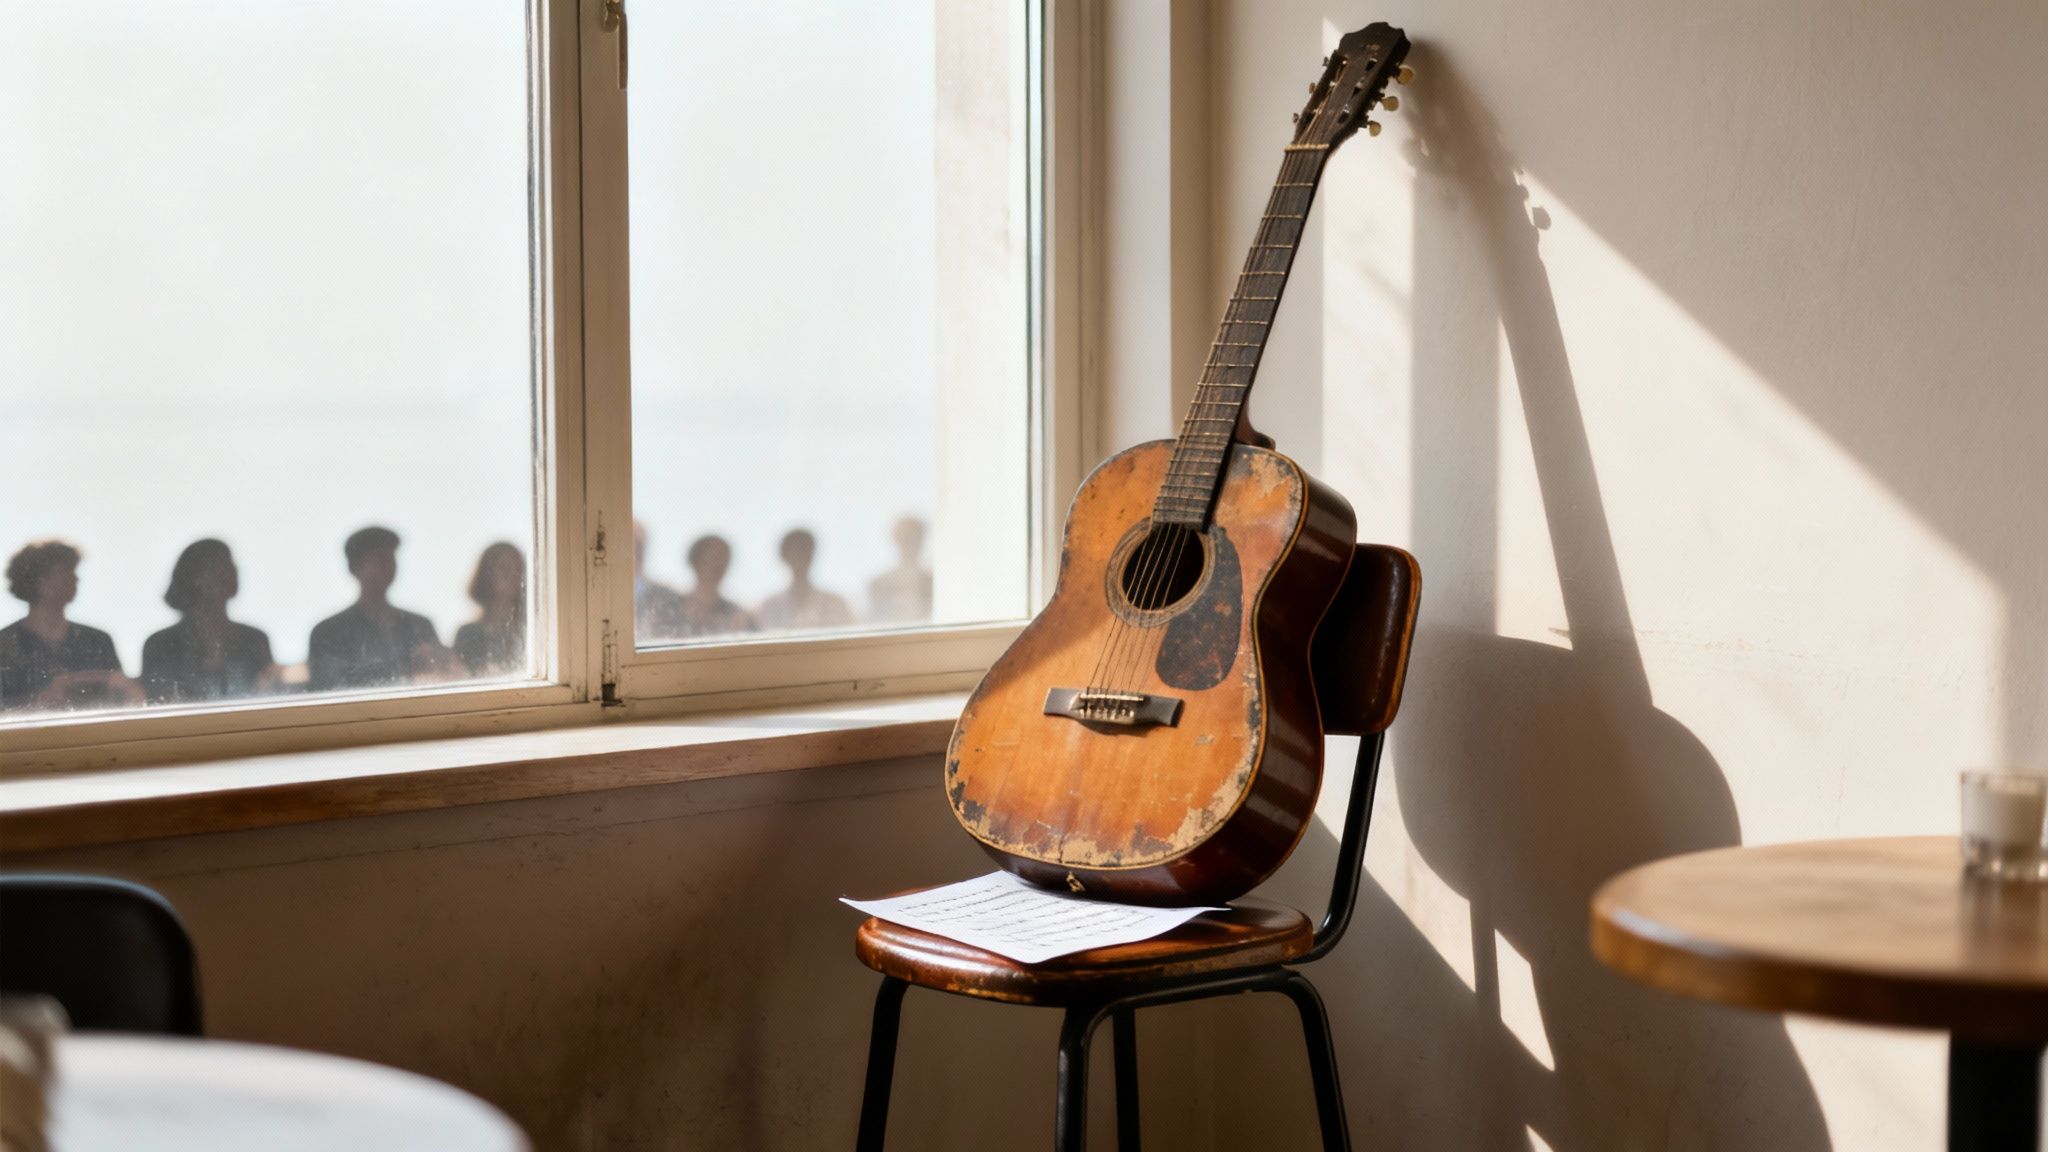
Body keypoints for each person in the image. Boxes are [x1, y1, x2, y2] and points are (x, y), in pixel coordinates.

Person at [0, 540, 142, 712]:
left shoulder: (97, 640)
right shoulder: (5, 645)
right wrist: (39, 703)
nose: (75, 578)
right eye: (63, 572)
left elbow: (122, 696)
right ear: (40, 583)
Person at [306, 527, 450, 692]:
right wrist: (407, 667)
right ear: (356, 567)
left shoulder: (420, 624)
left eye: (391, 559)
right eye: (381, 559)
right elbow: (327, 686)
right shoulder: (328, 632)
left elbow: (439, 679)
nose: (389, 566)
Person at [139, 538, 279, 704]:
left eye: (230, 565)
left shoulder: (255, 639)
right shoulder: (161, 644)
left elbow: (267, 698)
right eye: (216, 567)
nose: (230, 572)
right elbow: (161, 704)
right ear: (194, 579)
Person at [755, 528, 855, 631]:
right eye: (795, 552)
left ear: (812, 554)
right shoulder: (769, 606)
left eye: (805, 551)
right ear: (784, 556)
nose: (801, 558)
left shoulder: (836, 603)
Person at [453, 542, 527, 677]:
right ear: (487, 575)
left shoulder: (534, 629)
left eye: (519, 569)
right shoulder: (468, 634)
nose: (514, 576)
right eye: (505, 569)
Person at [674, 534, 756, 638]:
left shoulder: (737, 615)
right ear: (695, 561)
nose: (717, 565)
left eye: (723, 559)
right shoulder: (671, 610)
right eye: (711, 558)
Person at [867, 515, 934, 624]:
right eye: (903, 537)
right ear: (895, 539)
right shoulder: (878, 584)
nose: (908, 543)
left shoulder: (936, 582)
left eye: (912, 537)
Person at [633, 521, 687, 643]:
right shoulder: (598, 599)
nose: (633, 552)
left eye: (638, 545)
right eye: (628, 544)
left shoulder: (670, 597)